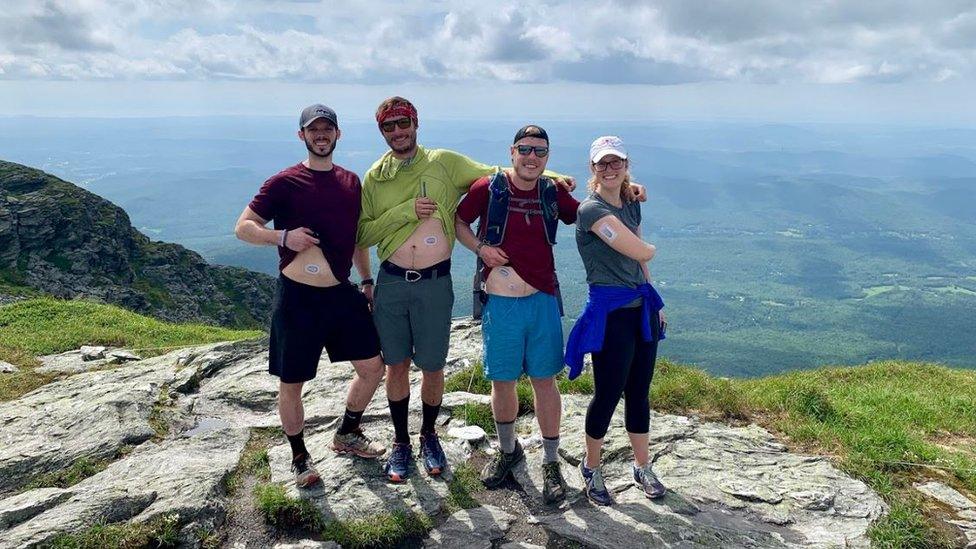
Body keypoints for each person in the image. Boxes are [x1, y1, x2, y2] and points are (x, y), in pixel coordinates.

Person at [357, 97, 576, 483]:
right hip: (392, 278)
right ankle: (401, 442)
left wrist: (555, 177)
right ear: (381, 131)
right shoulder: (375, 177)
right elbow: (362, 234)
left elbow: (500, 171)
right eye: (388, 127)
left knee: (434, 365)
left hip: (437, 280)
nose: (397, 132)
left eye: (402, 123)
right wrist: (404, 213)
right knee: (397, 365)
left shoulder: (444, 162)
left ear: (415, 122)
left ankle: (429, 437)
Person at [235, 104, 386, 488]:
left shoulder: (352, 182)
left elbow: (356, 239)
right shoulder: (283, 182)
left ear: (338, 135)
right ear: (301, 136)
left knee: (373, 368)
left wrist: (367, 281)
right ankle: (299, 456)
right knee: (292, 382)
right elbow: (244, 228)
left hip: (339, 293)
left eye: (327, 129)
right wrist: (284, 237)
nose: (321, 135)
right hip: (297, 298)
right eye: (313, 129)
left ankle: (347, 433)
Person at [455, 125, 578, 504]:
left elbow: (588, 213)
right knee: (503, 381)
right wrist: (481, 248)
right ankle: (509, 452)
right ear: (511, 152)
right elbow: (459, 222)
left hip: (541, 299)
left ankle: (552, 462)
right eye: (525, 149)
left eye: (539, 151)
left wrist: (628, 191)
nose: (531, 157)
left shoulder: (552, 192)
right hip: (501, 303)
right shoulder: (488, 189)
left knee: (545, 381)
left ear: (547, 157)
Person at [564, 135, 667, 506]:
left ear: (626, 164)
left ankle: (643, 466)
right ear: (593, 169)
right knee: (607, 393)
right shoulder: (590, 211)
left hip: (640, 307)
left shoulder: (630, 203)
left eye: (615, 162)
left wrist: (655, 301)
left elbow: (639, 263)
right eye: (601, 164)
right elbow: (641, 249)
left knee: (639, 391)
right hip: (610, 314)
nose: (609, 169)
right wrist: (651, 252)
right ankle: (592, 467)